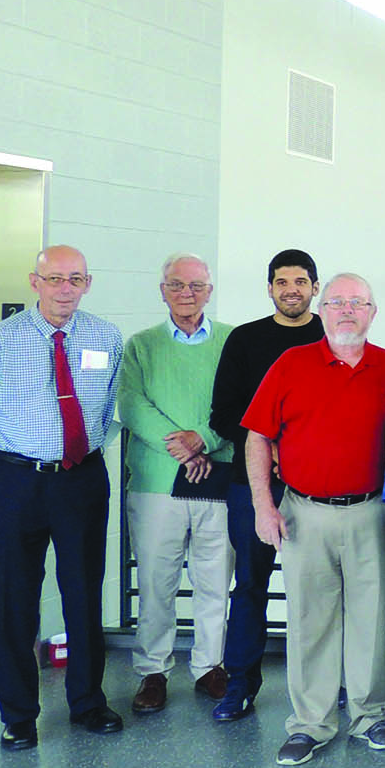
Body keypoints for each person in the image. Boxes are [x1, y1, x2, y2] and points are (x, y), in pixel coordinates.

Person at [0, 245, 125, 749]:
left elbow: (112, 410)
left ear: (88, 283)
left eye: (76, 279)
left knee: (84, 592)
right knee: (14, 599)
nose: (65, 289)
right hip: (16, 485)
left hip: (81, 482)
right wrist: (12, 459)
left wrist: (76, 454)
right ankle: (18, 713)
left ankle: (88, 702)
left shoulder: (106, 337)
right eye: (55, 279)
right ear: (35, 281)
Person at [242, 273, 385, 766]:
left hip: (371, 514)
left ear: (373, 312)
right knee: (310, 621)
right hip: (303, 514)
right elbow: (257, 436)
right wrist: (262, 505)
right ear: (322, 308)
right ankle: (311, 724)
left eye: (358, 302)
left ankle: (369, 715)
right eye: (336, 301)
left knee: (370, 619)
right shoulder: (291, 364)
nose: (346, 311)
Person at [206, 249, 324, 721]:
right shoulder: (245, 339)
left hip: (315, 488)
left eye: (301, 281)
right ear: (269, 287)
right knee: (250, 583)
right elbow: (223, 414)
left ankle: (326, 682)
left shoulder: (329, 335)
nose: (291, 289)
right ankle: (240, 683)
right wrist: (269, 448)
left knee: (320, 588)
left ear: (316, 286)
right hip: (251, 485)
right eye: (281, 282)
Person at [117, 253, 235, 715]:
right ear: (161, 290)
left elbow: (238, 402)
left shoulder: (231, 341)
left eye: (196, 286)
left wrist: (203, 441)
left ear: (210, 290)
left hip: (217, 477)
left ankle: (210, 666)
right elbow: (131, 403)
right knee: (156, 581)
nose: (187, 293)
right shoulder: (140, 346)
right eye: (176, 285)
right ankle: (153, 671)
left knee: (214, 579)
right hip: (157, 483)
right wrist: (184, 449)